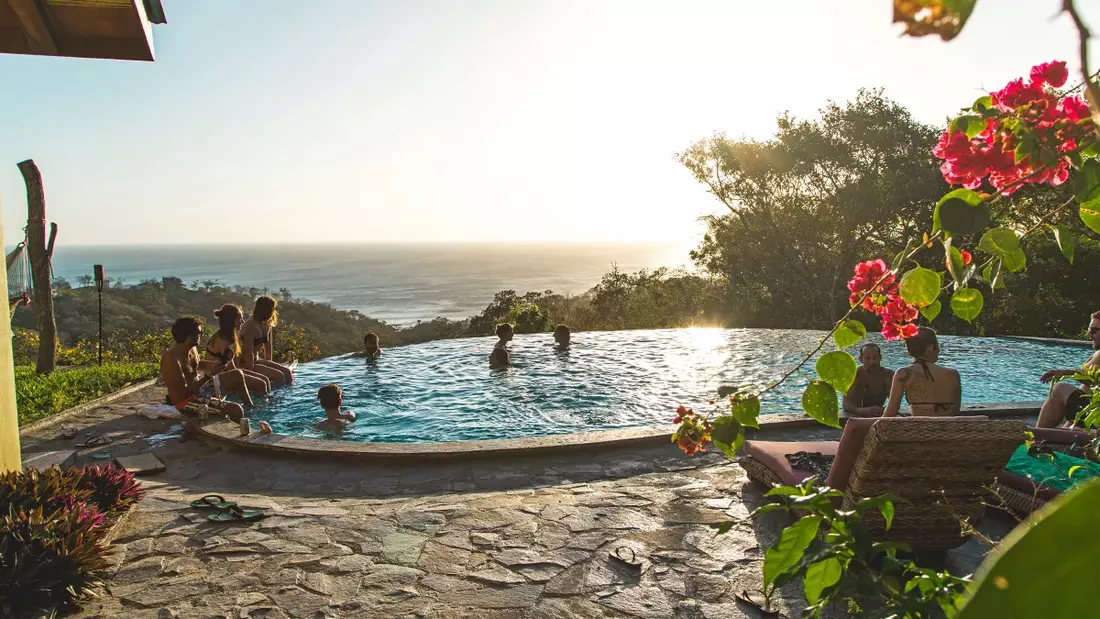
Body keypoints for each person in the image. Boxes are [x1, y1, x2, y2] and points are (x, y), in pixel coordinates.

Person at [160, 317, 245, 422]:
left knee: (237, 374)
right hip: (185, 402)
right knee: (235, 410)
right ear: (189, 335)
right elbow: (181, 396)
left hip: (200, 389)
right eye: (199, 332)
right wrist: (210, 375)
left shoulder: (192, 348)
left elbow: (197, 364)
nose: (201, 335)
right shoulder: (171, 359)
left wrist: (218, 365)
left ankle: (251, 409)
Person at [1036, 311, 1100, 428]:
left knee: (1060, 388)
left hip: (1095, 412)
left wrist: (1061, 372)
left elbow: (1088, 378)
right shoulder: (1096, 353)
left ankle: (1038, 437)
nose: (1089, 334)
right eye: (1089, 330)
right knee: (1067, 423)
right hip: (1089, 408)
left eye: (1093, 330)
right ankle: (1048, 435)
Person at [884, 327, 961, 417]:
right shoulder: (953, 374)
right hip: (948, 429)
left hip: (919, 429)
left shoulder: (904, 373)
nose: (939, 350)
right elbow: (955, 411)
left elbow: (890, 413)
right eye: (937, 346)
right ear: (931, 347)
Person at [203, 304, 269, 406]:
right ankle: (255, 408)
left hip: (226, 373)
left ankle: (262, 405)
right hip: (214, 379)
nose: (242, 322)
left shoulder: (230, 336)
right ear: (232, 320)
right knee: (261, 384)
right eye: (240, 319)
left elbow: (235, 366)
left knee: (264, 380)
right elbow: (232, 369)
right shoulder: (223, 340)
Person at [240, 296, 295, 387]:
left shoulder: (266, 325)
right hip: (245, 362)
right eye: (271, 309)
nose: (273, 312)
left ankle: (289, 396)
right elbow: (247, 351)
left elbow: (268, 347)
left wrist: (270, 364)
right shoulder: (250, 325)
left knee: (287, 372)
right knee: (279, 376)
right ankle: (273, 399)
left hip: (256, 360)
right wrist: (251, 374)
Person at [843, 343, 894, 417]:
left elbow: (895, 402)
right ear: (861, 359)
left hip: (879, 413)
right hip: (856, 413)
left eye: (875, 358)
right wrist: (859, 410)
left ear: (880, 357)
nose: (872, 362)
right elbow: (846, 403)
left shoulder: (888, 375)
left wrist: (883, 410)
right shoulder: (855, 375)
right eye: (868, 358)